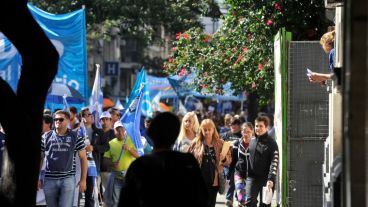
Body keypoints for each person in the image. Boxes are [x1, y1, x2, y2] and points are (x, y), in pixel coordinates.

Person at [118, 112, 208, 207]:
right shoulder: (188, 162)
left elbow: (125, 201)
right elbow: (202, 198)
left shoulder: (139, 165)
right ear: (176, 134)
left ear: (150, 134)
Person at [40, 110, 87, 207]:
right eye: (55, 119)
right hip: (49, 179)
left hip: (67, 180)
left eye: (61, 119)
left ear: (68, 121)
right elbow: (40, 158)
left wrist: (83, 180)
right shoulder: (45, 137)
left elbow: (83, 158)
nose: (57, 121)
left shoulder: (76, 137)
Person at [188, 119, 232, 207]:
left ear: (213, 130)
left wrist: (223, 159)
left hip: (214, 181)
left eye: (209, 129)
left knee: (211, 204)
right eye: (205, 129)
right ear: (201, 130)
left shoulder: (220, 143)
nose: (207, 132)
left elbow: (228, 161)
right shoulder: (195, 144)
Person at [103, 121, 139, 207]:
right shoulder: (111, 143)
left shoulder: (131, 140)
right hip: (117, 177)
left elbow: (139, 156)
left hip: (130, 177)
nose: (120, 132)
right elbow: (105, 160)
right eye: (117, 130)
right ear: (114, 131)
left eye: (122, 129)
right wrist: (112, 163)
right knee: (116, 202)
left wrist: (129, 149)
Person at [245, 116, 279, 207]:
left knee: (264, 204)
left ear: (266, 127)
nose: (258, 128)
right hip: (252, 178)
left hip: (266, 180)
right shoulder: (251, 140)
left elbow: (274, 161)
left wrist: (271, 179)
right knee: (249, 202)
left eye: (261, 126)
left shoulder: (272, 143)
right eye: (256, 126)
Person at [80, 108, 108, 207]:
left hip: (93, 167)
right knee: (77, 197)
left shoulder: (99, 132)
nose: (91, 115)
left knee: (90, 196)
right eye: (88, 114)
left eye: (91, 114)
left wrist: (94, 147)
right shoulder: (77, 131)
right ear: (82, 117)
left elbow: (106, 147)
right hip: (78, 168)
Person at [222, 118, 243, 207]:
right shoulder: (226, 134)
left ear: (239, 126)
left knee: (235, 180)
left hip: (238, 162)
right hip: (227, 163)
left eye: (235, 125)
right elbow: (221, 146)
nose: (233, 127)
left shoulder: (241, 135)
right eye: (231, 125)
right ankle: (234, 198)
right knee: (231, 180)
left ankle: (231, 198)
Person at [234, 122, 254, 207]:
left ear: (252, 132)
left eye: (248, 132)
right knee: (241, 197)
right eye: (244, 131)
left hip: (251, 174)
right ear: (241, 132)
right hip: (239, 172)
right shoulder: (237, 143)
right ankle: (240, 200)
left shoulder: (255, 143)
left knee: (249, 200)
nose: (246, 134)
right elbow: (233, 159)